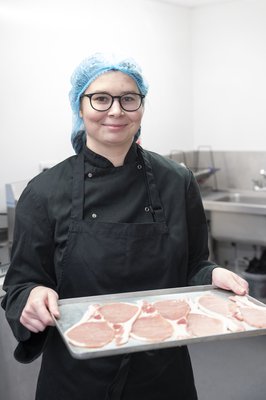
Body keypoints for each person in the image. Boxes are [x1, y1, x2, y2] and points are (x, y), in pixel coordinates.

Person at [1, 52, 248, 400]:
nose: (116, 110)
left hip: (163, 375)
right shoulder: (44, 193)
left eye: (128, 99)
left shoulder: (178, 182)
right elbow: (21, 284)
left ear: (141, 107)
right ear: (80, 106)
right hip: (77, 378)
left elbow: (194, 264)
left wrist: (211, 276)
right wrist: (31, 297)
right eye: (101, 98)